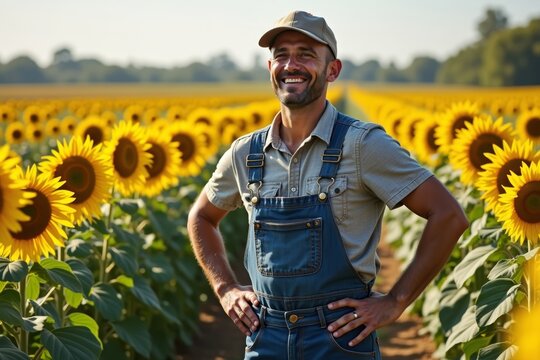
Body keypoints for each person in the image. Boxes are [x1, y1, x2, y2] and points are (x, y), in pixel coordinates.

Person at [187, 10, 468, 359]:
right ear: (269, 68)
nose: (291, 64)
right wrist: (225, 287)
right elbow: (201, 216)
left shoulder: (363, 145)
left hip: (340, 338)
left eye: (306, 54)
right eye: (281, 55)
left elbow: (448, 214)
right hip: (264, 337)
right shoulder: (246, 153)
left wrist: (396, 301)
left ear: (332, 70)